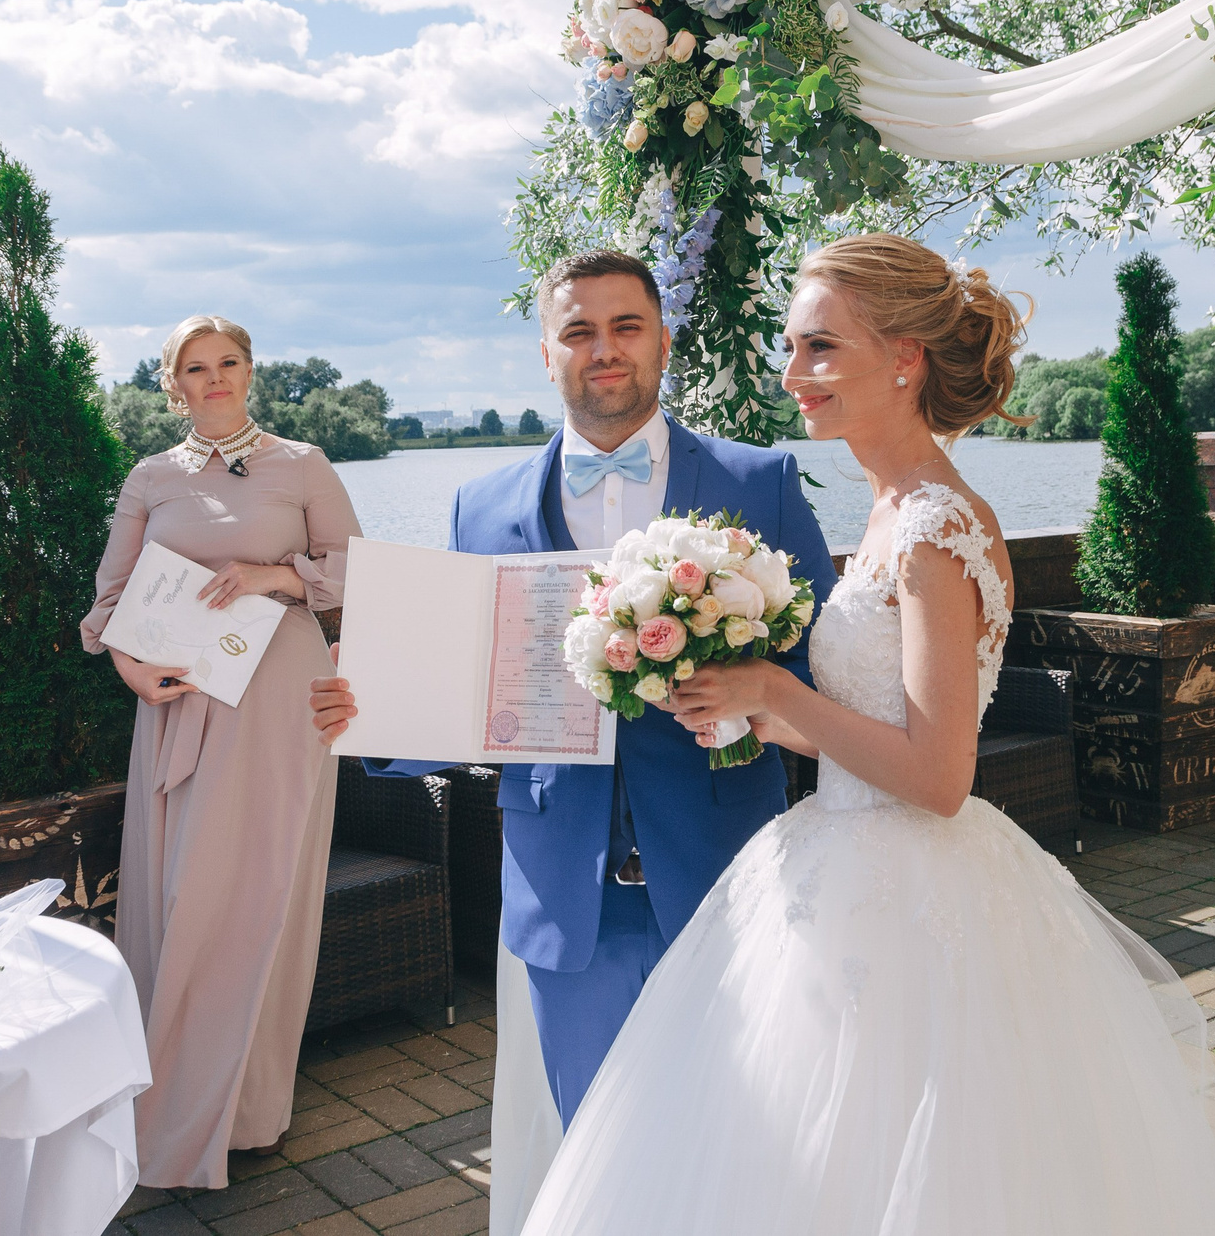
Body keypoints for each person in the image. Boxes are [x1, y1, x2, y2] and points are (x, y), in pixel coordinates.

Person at [517, 236, 1215, 1236]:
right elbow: (871, 728)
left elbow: (940, 773)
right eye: (793, 347)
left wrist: (774, 691)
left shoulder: (933, 529)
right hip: (834, 857)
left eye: (821, 347)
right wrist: (750, 710)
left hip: (909, 896)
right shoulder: (888, 512)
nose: (794, 373)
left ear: (905, 357)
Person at [307, 249, 837, 1223]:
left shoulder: (756, 483)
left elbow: (826, 677)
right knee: (601, 1156)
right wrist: (373, 716)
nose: (604, 349)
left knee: (742, 1151)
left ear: (662, 340)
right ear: (546, 353)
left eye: (626, 326)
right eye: (579, 331)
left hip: (724, 880)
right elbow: (473, 691)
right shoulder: (480, 506)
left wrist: (750, 696)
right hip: (565, 899)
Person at [80, 313, 361, 1190]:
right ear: (174, 384)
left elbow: (357, 571)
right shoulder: (150, 476)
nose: (214, 378)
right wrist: (131, 668)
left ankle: (248, 1110)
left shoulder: (303, 463)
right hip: (181, 704)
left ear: (249, 370)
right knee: (183, 893)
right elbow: (109, 601)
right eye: (195, 367)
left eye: (228, 361)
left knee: (262, 895)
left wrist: (275, 576)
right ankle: (167, 1102)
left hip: (282, 702)